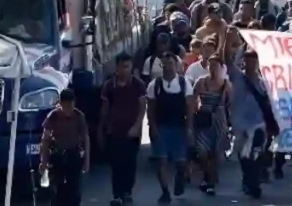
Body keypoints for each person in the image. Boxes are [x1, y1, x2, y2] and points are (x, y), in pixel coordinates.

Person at [228, 50, 280, 195]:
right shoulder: (237, 77)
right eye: (248, 60)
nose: (251, 64)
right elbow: (226, 58)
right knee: (243, 155)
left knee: (255, 152)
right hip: (239, 124)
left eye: (253, 61)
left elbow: (271, 101)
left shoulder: (264, 83)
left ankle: (254, 183)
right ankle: (247, 180)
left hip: (258, 124)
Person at [146, 52, 195, 205]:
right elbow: (151, 108)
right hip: (162, 128)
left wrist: (189, 128)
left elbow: (190, 108)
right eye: (165, 64)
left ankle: (180, 178)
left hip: (179, 127)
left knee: (181, 163)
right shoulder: (154, 85)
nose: (168, 66)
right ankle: (165, 191)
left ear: (176, 65)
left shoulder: (184, 83)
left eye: (171, 63)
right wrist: (152, 127)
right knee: (161, 161)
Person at [99, 52, 146, 206]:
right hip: (114, 131)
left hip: (132, 132)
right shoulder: (108, 86)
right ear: (116, 67)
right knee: (116, 163)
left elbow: (142, 108)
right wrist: (101, 129)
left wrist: (137, 126)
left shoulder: (138, 85)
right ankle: (117, 194)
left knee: (129, 163)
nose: (124, 70)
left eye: (127, 66)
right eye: (121, 66)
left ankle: (127, 191)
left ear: (131, 67)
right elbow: (105, 110)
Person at [39, 88, 89, 206]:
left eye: (71, 106)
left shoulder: (79, 116)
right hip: (57, 156)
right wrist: (43, 161)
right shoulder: (53, 116)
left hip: (73, 155)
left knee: (74, 190)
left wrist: (87, 161)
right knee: (56, 191)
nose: (68, 109)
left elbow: (86, 138)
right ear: (60, 103)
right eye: (66, 106)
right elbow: (45, 139)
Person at [192, 53, 231, 195]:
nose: (212, 68)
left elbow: (231, 105)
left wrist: (231, 125)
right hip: (203, 119)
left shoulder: (227, 85)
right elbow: (192, 102)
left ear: (222, 67)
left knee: (215, 153)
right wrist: (191, 119)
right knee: (202, 152)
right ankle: (208, 176)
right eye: (210, 65)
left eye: (216, 65)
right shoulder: (200, 82)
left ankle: (210, 182)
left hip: (219, 122)